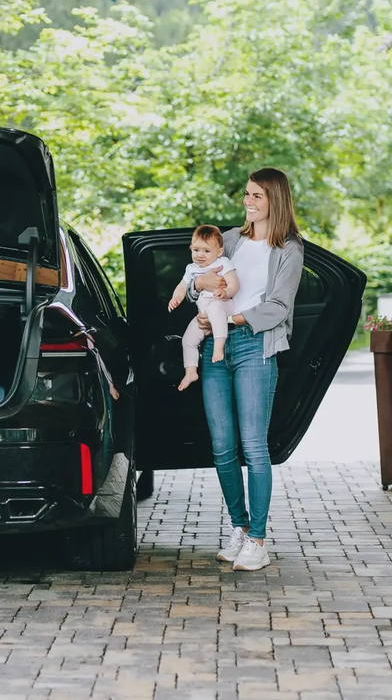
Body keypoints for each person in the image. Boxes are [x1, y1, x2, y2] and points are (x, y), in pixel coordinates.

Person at [187, 169, 303, 572]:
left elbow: (278, 308)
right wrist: (201, 298)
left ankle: (258, 539)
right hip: (216, 347)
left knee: (254, 447)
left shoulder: (289, 249)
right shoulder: (231, 240)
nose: (248, 202)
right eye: (247, 194)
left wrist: (232, 321)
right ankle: (239, 527)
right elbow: (195, 278)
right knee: (222, 447)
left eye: (257, 195)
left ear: (275, 199)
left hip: (256, 345)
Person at [168, 225, 240, 391]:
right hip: (203, 312)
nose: (200, 255)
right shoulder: (191, 268)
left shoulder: (223, 263)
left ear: (219, 252)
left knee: (216, 311)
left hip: (222, 304)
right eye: (196, 250)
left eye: (206, 251)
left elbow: (235, 283)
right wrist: (176, 298)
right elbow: (182, 287)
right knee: (188, 339)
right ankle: (191, 371)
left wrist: (226, 292)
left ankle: (218, 346)